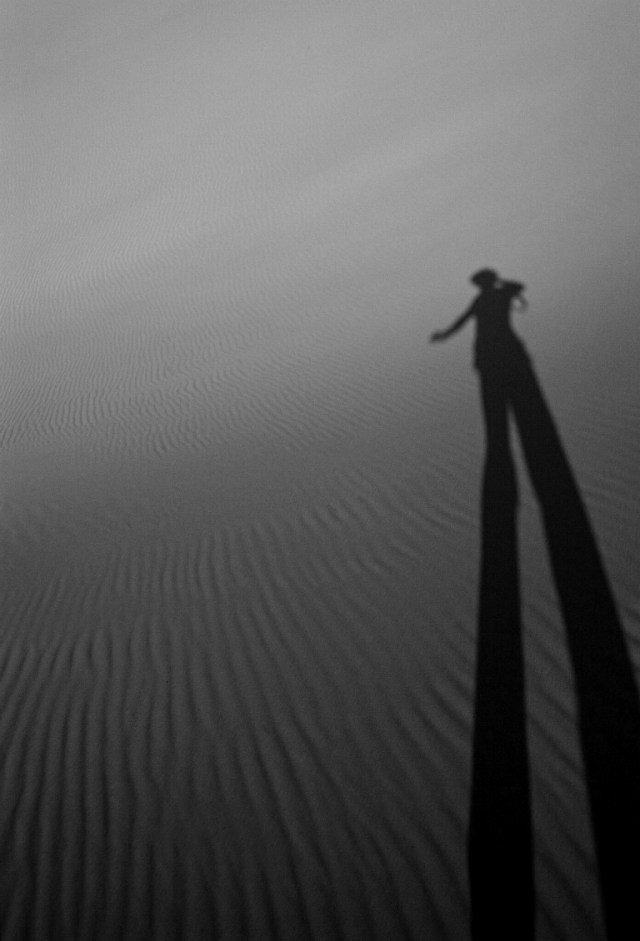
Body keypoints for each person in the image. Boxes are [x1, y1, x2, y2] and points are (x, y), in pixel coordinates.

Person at [431, 269, 528, 372]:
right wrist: (499, 281)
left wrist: (445, 334)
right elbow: (519, 286)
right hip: (503, 343)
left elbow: (462, 320)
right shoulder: (503, 294)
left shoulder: (483, 299)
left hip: (488, 346)